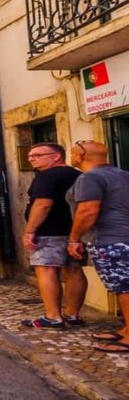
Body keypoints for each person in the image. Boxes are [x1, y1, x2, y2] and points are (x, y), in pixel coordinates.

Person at [68, 141, 129, 352]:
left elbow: (88, 211)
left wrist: (75, 239)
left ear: (80, 156)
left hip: (110, 238)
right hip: (123, 236)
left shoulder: (89, 178)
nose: (72, 156)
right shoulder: (121, 174)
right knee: (122, 286)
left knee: (124, 287)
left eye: (73, 152)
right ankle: (126, 329)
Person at [20, 143, 87, 329]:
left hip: (49, 231)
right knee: (74, 270)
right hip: (75, 231)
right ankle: (73, 314)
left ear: (56, 156)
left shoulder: (47, 176)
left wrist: (30, 231)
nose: (32, 158)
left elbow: (43, 204)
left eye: (37, 155)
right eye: (30, 156)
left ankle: (53, 317)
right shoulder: (78, 175)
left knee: (46, 270)